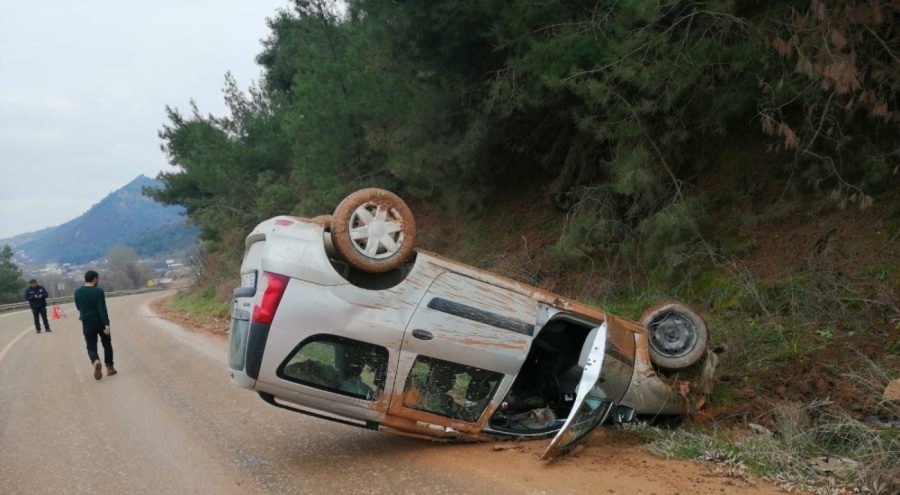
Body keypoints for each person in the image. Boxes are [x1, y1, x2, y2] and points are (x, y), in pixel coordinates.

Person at [73, 270, 116, 380]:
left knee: (91, 347)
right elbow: (102, 309)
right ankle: (110, 368)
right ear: (94, 279)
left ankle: (95, 360)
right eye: (98, 278)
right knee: (107, 344)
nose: (98, 280)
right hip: (100, 322)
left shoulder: (77, 292)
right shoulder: (98, 291)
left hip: (87, 323)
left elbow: (78, 307)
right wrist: (106, 323)